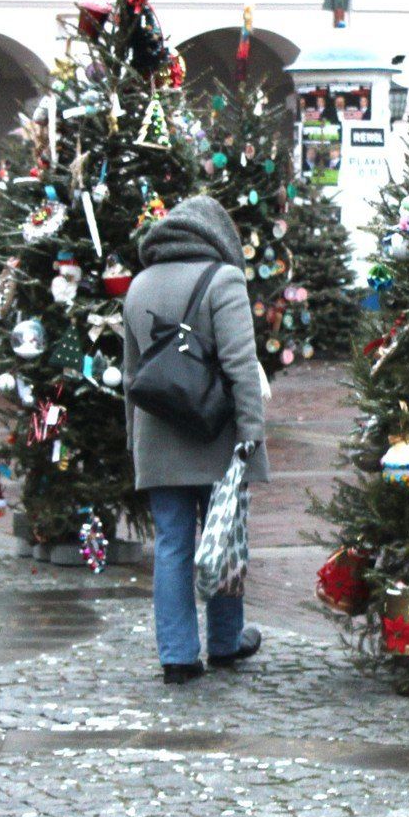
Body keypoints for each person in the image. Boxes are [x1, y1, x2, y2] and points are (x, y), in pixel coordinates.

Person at [122, 195, 269, 684]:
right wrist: (251, 436)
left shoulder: (139, 284)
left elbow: (130, 376)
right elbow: (241, 368)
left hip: (157, 436)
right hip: (216, 438)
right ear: (217, 237)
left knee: (171, 544)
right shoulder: (222, 281)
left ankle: (178, 657)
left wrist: (133, 441)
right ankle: (226, 642)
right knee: (224, 535)